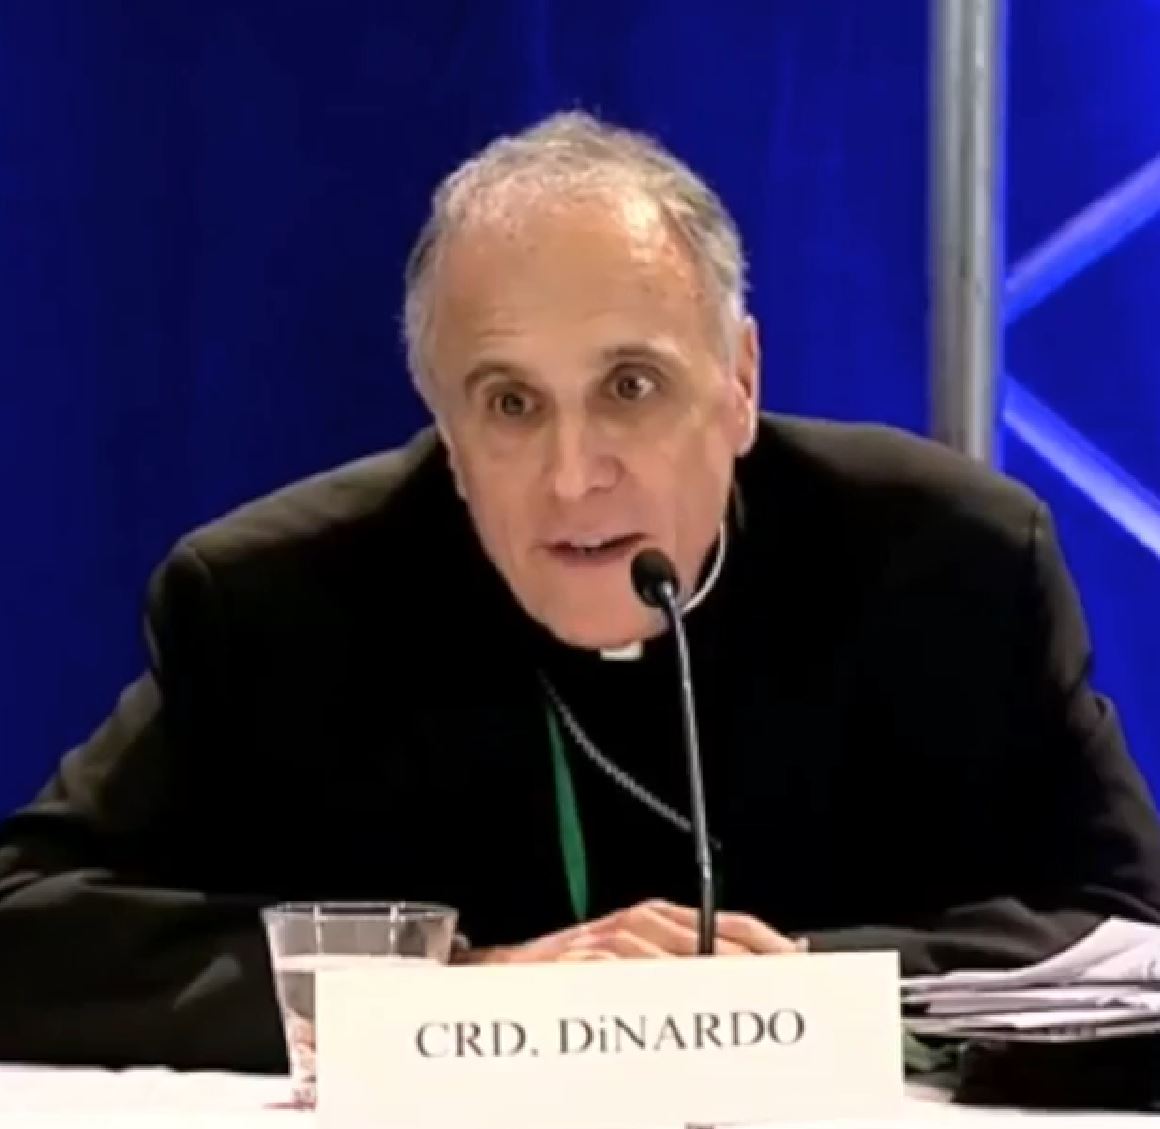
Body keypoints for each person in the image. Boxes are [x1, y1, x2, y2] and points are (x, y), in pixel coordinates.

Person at [2, 110, 1159, 1074]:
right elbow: (25, 927)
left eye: (629, 385)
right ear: (448, 434)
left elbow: (1130, 929)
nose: (571, 477)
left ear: (738, 383)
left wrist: (804, 987)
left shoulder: (946, 565)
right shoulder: (276, 603)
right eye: (509, 404)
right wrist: (453, 987)